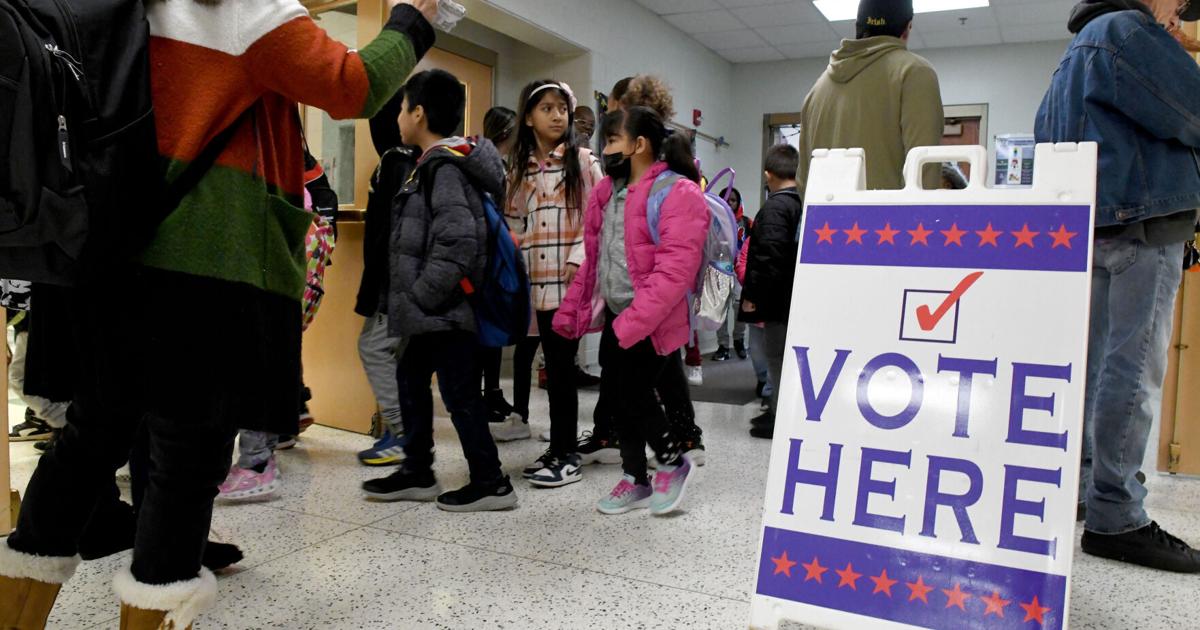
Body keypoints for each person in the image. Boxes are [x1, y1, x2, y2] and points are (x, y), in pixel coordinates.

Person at [0, 1, 439, 628]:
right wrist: (413, 20)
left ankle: (15, 612)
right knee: (186, 457)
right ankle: (152, 613)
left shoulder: (118, 6)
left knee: (91, 440)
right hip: (201, 268)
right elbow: (352, 86)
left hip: (105, 257)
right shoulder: (239, 7)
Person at [1035, 0, 1200, 573]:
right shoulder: (1130, 32)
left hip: (1092, 230)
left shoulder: (1073, 52)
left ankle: (1084, 489)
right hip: (1143, 226)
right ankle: (1118, 515)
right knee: (1132, 376)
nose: (1178, 11)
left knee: (1095, 370)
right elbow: (1193, 110)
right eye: (1176, 2)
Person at [361, 69, 517, 513]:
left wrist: (421, 295)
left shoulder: (443, 169)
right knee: (411, 382)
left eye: (403, 107)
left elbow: (458, 242)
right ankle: (417, 469)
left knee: (460, 396)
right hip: (431, 311)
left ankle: (491, 482)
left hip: (445, 310)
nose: (397, 118)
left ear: (419, 113)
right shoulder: (428, 164)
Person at [554, 106, 708, 515]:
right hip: (620, 315)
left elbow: (675, 270)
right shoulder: (609, 192)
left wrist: (636, 322)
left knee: (634, 394)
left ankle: (672, 461)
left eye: (611, 140)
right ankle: (635, 478)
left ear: (639, 145)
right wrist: (574, 309)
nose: (605, 149)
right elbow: (595, 257)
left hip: (652, 319)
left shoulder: (678, 193)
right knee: (619, 398)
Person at [503, 79, 604, 488]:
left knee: (562, 370)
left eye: (561, 107)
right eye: (546, 108)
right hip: (536, 285)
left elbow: (599, 217)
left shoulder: (582, 161)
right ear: (528, 117)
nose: (557, 115)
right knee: (551, 369)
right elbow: (513, 222)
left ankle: (566, 455)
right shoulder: (519, 167)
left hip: (569, 284)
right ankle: (558, 447)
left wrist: (579, 257)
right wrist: (517, 258)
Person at [796, 0, 944, 193]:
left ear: (857, 26)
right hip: (888, 222)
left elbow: (804, 181)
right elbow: (924, 172)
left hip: (825, 221)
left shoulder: (818, 89)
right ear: (907, 28)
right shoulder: (914, 72)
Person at [356, 89, 419, 466]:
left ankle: (401, 430)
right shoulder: (407, 160)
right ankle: (403, 430)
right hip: (400, 282)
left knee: (373, 347)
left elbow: (389, 232)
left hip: (393, 284)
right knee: (397, 354)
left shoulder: (395, 162)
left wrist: (380, 287)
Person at [741, 145, 803, 440]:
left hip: (778, 300)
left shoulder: (775, 208)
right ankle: (778, 407)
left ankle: (779, 414)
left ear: (768, 174)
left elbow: (768, 256)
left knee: (776, 357)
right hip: (793, 296)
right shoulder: (801, 203)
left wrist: (754, 295)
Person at [477, 106, 530, 440]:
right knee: (491, 330)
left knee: (490, 331)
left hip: (492, 251)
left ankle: (492, 393)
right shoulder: (494, 166)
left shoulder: (490, 162)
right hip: (495, 252)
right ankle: (490, 394)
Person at [711, 186, 750, 361]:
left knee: (739, 307)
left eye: (733, 200)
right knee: (720, 309)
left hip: (739, 271)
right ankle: (723, 345)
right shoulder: (713, 221)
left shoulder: (747, 223)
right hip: (719, 270)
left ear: (738, 202)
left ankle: (739, 340)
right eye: (726, 200)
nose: (729, 203)